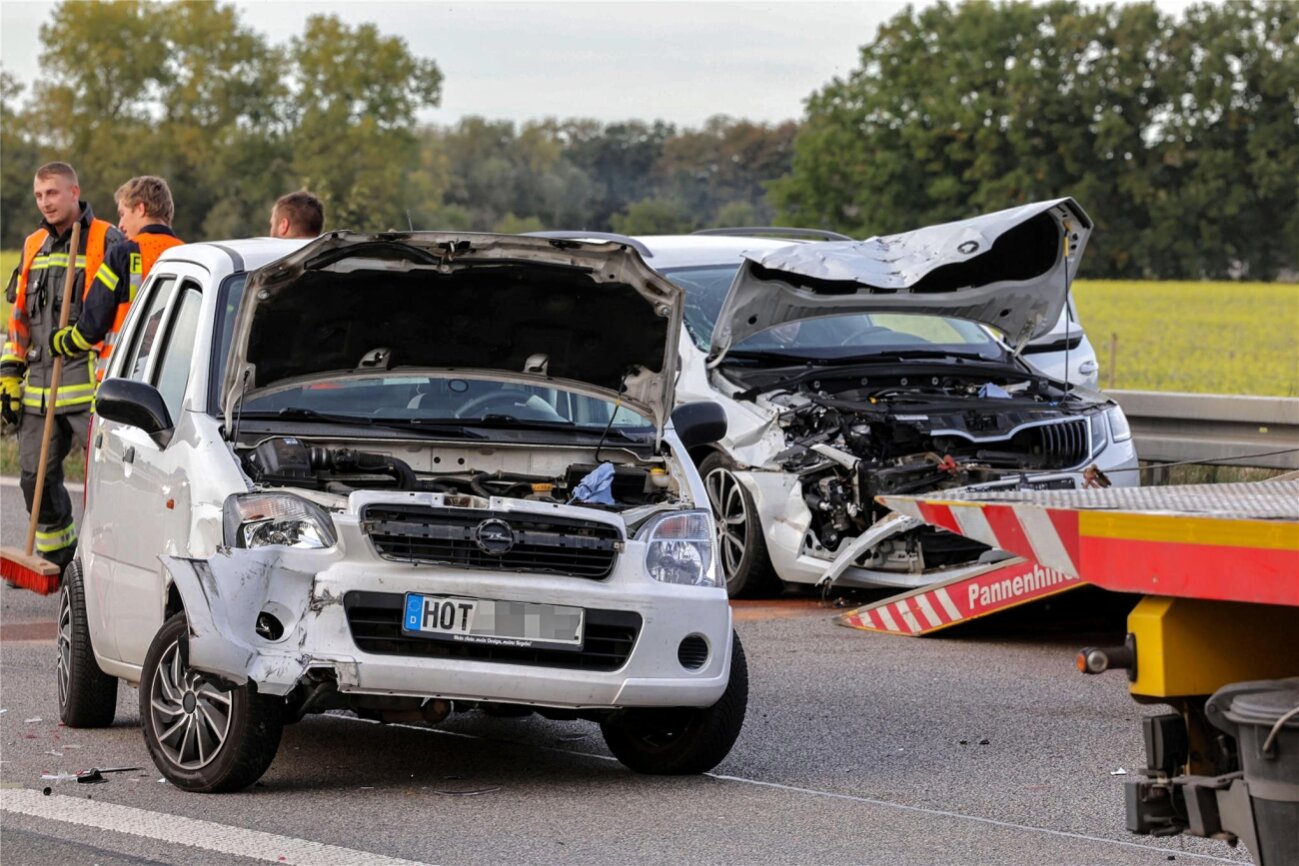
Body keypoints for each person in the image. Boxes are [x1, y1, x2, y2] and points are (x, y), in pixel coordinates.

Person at [1, 162, 124, 576]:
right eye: (39, 196)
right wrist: (8, 376)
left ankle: (103, 567)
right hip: (39, 383)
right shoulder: (34, 243)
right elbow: (19, 317)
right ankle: (59, 554)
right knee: (33, 477)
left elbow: (120, 312)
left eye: (52, 193)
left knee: (107, 484)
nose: (45, 202)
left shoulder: (108, 238)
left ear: (75, 192)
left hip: (92, 383)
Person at [50, 176, 184, 381]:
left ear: (140, 209)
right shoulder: (188, 254)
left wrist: (63, 342)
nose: (120, 224)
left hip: (123, 375)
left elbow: (93, 322)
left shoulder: (122, 253)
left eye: (123, 214)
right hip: (175, 378)